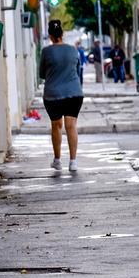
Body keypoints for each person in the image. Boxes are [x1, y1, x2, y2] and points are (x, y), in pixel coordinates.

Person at [40, 19, 82, 173]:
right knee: (71, 126)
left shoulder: (46, 51)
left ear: (50, 36)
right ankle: (73, 162)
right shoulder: (73, 50)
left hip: (53, 94)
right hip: (74, 93)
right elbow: (77, 69)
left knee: (57, 126)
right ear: (62, 34)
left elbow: (42, 74)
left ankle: (57, 160)